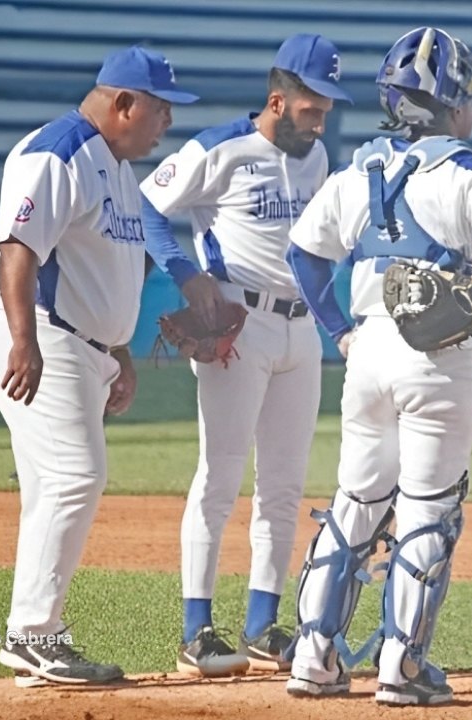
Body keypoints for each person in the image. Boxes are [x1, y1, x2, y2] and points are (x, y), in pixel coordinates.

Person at [283, 27, 472, 706]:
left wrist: (338, 330)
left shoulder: (358, 169)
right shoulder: (468, 170)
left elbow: (303, 254)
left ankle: (313, 654)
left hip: (368, 350)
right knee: (427, 511)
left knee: (356, 504)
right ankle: (402, 666)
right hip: (438, 357)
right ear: (450, 101)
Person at [0, 45, 197, 687]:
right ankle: (33, 636)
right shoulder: (57, 152)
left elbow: (103, 270)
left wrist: (117, 350)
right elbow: (17, 249)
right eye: (162, 110)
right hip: (41, 333)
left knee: (55, 486)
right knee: (75, 476)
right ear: (124, 104)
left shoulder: (116, 165)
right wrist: (24, 341)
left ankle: (32, 636)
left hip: (77, 342)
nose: (167, 125)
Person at [139, 33, 351, 678]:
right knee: (221, 475)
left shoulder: (316, 159)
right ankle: (196, 629)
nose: (321, 120)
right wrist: (183, 272)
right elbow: (147, 204)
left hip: (300, 329)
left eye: (327, 109)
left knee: (284, 486)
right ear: (278, 101)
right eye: (311, 108)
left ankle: (264, 622)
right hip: (239, 326)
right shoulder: (220, 148)